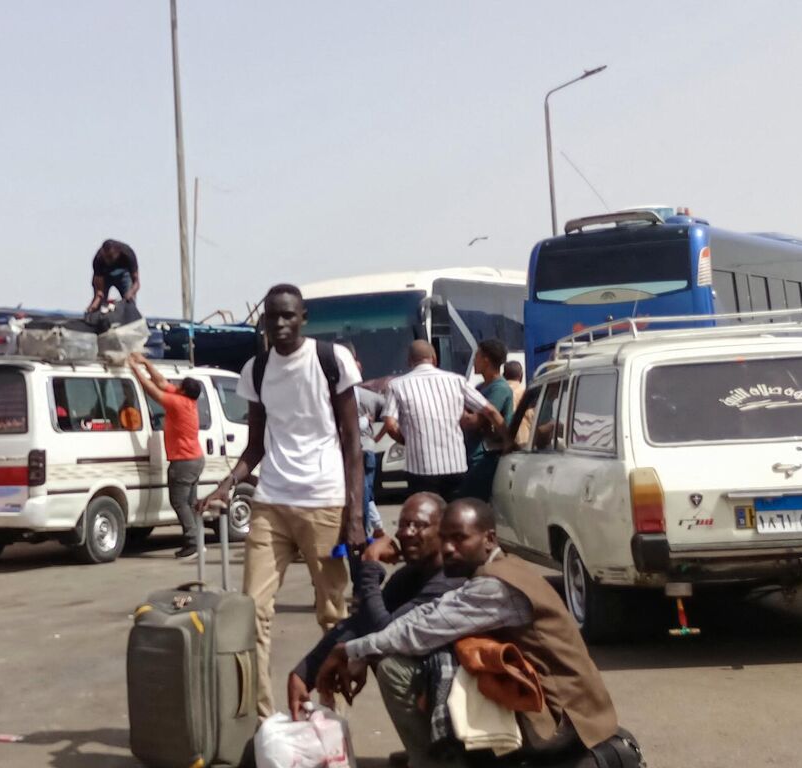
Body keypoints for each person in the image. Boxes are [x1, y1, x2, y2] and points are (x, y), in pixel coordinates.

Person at [318, 500, 621, 767]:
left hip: (565, 721)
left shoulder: (496, 586)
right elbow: (429, 615)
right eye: (445, 539)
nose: (448, 548)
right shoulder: (496, 569)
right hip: (569, 709)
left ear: (489, 539)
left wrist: (348, 651)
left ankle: (434, 763)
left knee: (397, 668)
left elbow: (418, 632)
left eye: (460, 539)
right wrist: (358, 649)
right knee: (436, 653)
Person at [202, 283, 367, 717]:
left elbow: (353, 443)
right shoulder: (255, 370)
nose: (279, 324)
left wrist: (355, 515)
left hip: (325, 500)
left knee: (332, 615)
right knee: (251, 611)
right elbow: (255, 447)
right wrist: (228, 482)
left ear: (303, 317)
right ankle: (262, 722)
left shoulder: (331, 360)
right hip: (271, 501)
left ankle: (333, 718)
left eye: (288, 316)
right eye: (271, 316)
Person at [287, 492, 464, 719]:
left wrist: (370, 564)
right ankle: (420, 743)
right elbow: (361, 621)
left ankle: (432, 752)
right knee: (371, 648)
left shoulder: (450, 580)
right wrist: (303, 674)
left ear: (443, 531)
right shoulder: (411, 575)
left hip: (463, 684)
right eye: (402, 525)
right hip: (436, 675)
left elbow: (386, 631)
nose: (406, 533)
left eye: (418, 525)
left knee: (390, 663)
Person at [381, 341, 504, 501]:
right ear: (434, 358)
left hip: (420, 467)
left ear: (409, 361)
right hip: (455, 465)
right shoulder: (457, 381)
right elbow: (490, 411)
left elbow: (390, 424)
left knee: (427, 517)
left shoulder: (396, 385)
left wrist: (408, 441)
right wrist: (508, 439)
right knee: (454, 516)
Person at [129, 352, 206, 560]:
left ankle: (192, 542)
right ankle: (198, 541)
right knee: (189, 503)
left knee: (179, 502)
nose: (175, 386)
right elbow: (162, 383)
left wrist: (135, 369)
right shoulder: (187, 400)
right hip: (195, 459)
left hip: (183, 462)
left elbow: (152, 390)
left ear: (182, 390)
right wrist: (145, 362)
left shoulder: (177, 403)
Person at [460, 340, 518, 501]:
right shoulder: (480, 388)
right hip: (472, 456)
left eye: (477, 356)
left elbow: (475, 421)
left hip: (485, 459)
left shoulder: (499, 388)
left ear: (486, 360)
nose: (474, 361)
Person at [356, 381, 389, 533]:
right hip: (368, 448)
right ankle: (376, 527)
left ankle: (372, 528)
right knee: (366, 491)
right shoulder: (371, 397)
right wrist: (378, 437)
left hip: (350, 451)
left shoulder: (335, 396)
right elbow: (390, 415)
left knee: (362, 492)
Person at [88, 239, 140, 314]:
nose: (108, 260)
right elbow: (99, 291)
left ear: (117, 252)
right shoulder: (98, 260)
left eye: (110, 257)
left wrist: (131, 293)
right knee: (99, 304)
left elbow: (136, 282)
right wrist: (95, 303)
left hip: (124, 275)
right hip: (105, 277)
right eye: (105, 257)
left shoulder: (128, 254)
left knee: (129, 302)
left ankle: (129, 315)